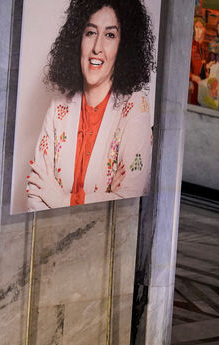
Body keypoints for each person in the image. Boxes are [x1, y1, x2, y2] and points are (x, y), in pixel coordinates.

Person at [27, 0, 155, 211]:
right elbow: (34, 195)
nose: (97, 47)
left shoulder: (135, 107)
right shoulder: (58, 109)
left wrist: (62, 201)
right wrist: (106, 195)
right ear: (78, 39)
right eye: (90, 32)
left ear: (124, 46)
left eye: (110, 35)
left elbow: (129, 200)